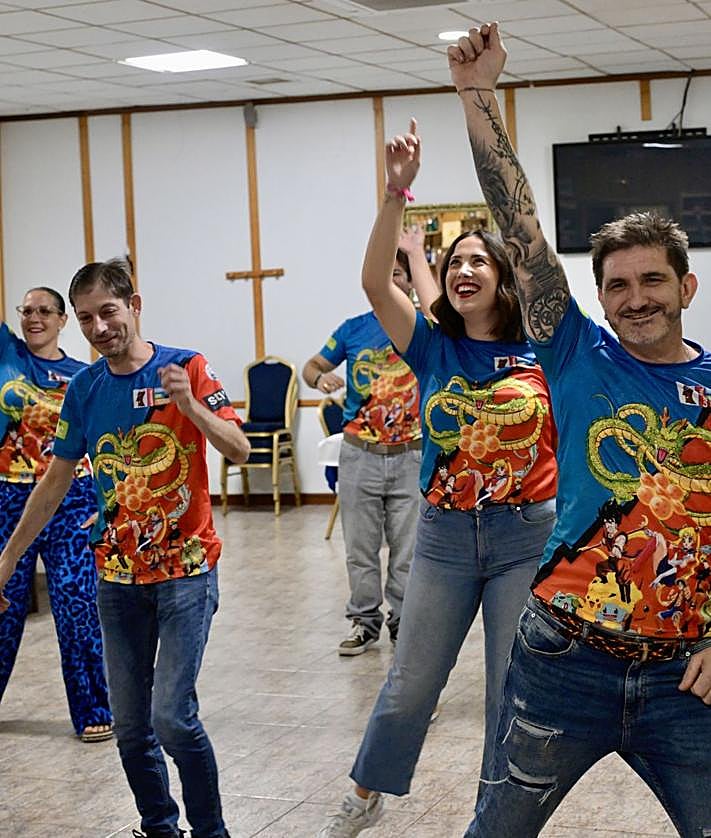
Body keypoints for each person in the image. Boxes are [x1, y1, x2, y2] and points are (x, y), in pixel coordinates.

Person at [448, 23, 711, 837]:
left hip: (685, 680)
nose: (635, 298)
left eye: (651, 281)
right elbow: (518, 222)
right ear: (597, 298)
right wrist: (477, 95)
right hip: (563, 660)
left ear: (686, 286)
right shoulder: (573, 354)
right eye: (617, 285)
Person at [318, 120, 558, 837]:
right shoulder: (430, 348)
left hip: (525, 535)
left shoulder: (543, 348)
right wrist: (395, 194)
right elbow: (371, 281)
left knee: (507, 693)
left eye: (479, 260)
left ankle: (493, 816)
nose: (464, 270)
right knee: (411, 682)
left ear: (502, 275)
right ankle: (365, 793)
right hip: (446, 536)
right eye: (455, 261)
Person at [0, 260, 250, 838]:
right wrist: (11, 554)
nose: (98, 327)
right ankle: (158, 825)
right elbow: (55, 479)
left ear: (134, 305)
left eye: (107, 312)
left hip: (186, 571)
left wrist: (190, 408)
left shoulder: (186, 366)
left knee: (173, 718)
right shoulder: (84, 389)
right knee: (133, 727)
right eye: (85, 318)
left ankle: (211, 831)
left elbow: (237, 449)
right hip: (116, 578)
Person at [303, 247, 433, 655]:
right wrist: (319, 380)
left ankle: (403, 622)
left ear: (412, 283)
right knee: (360, 549)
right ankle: (363, 622)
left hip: (411, 454)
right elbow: (311, 367)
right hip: (360, 454)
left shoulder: (424, 328)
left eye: (400, 275)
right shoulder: (352, 329)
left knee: (407, 551)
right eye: (387, 274)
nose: (393, 282)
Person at [0, 286, 112, 743]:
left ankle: (93, 710)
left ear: (64, 319)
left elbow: (109, 445)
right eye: (27, 311)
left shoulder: (86, 376)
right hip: (8, 497)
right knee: (1, 603)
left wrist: (106, 503)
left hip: (72, 499)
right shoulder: (7, 354)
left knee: (77, 603)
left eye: (45, 311)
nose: (34, 318)